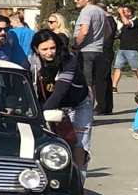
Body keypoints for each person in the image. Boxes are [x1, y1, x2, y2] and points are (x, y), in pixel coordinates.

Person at [33, 31, 93, 168]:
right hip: (51, 106)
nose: (49, 53)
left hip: (78, 104)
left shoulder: (69, 60)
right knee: (54, 148)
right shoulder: (32, 62)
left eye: (52, 48)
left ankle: (79, 176)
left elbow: (60, 91)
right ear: (36, 49)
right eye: (44, 49)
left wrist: (40, 115)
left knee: (78, 146)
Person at [72, 0, 112, 115]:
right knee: (93, 82)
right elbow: (108, 31)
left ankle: (87, 113)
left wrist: (75, 45)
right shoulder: (101, 11)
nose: (75, 1)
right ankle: (90, 112)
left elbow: (84, 31)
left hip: (86, 51)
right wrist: (100, 43)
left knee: (87, 83)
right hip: (98, 50)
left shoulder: (86, 11)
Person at [112, 5, 138, 96]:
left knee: (136, 68)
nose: (122, 14)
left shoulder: (136, 21)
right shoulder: (123, 24)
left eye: (125, 12)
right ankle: (114, 86)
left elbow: (127, 23)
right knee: (117, 67)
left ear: (129, 13)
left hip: (132, 49)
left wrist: (121, 13)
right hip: (122, 48)